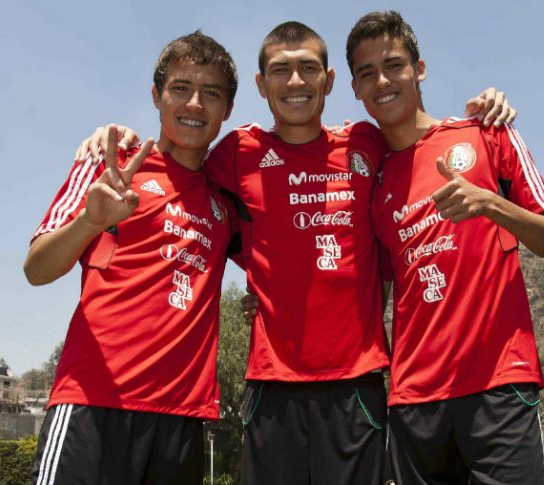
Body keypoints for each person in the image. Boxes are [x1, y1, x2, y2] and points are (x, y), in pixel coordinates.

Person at [76, 21, 516, 485]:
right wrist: (121, 139)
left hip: (357, 385)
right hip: (272, 385)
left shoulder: (364, 142)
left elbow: (418, 145)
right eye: (281, 71)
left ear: (328, 82)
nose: (295, 82)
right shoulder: (238, 152)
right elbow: (182, 182)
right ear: (262, 85)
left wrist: (484, 111)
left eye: (308, 68)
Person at [345, 10, 544, 484]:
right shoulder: (376, 179)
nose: (382, 81)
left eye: (394, 65)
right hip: (413, 401)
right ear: (355, 90)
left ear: (420, 69)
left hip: (499, 387)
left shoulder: (486, 133)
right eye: (367, 73)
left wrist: (491, 204)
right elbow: (378, 290)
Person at [23, 31, 241, 485]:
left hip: (181, 420)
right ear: (156, 96)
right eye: (181, 88)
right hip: (92, 404)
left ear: (227, 112)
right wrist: (89, 222)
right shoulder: (112, 165)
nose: (195, 104)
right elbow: (36, 269)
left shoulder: (227, 203)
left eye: (211, 93)